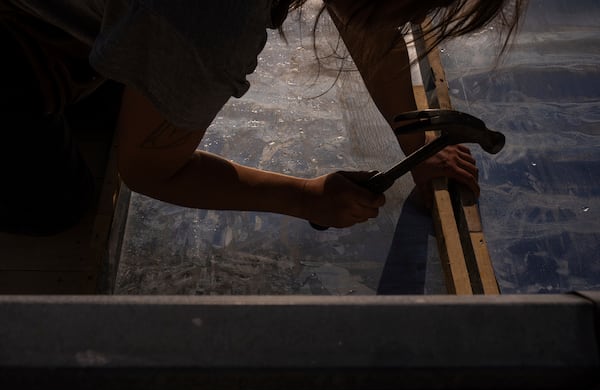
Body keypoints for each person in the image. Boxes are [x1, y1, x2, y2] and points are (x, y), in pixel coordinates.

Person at [0, 0, 526, 236]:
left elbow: (367, 20)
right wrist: (302, 197)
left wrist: (420, 140)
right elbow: (145, 172)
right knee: (58, 204)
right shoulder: (212, 24)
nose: (417, 17)